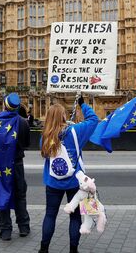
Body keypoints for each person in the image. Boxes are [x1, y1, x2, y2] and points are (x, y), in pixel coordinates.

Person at [39, 96, 98, 253]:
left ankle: (43, 249)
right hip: (75, 182)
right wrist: (82, 105)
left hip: (53, 182)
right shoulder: (75, 131)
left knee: (50, 215)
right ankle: (73, 249)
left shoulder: (45, 135)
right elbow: (93, 120)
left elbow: (45, 155)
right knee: (75, 217)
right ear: (64, 116)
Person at [0, 93, 32, 241]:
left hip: (2, 165)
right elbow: (26, 144)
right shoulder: (23, 122)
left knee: (3, 194)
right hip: (17, 164)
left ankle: (5, 230)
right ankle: (23, 227)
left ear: (5, 105)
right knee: (20, 194)